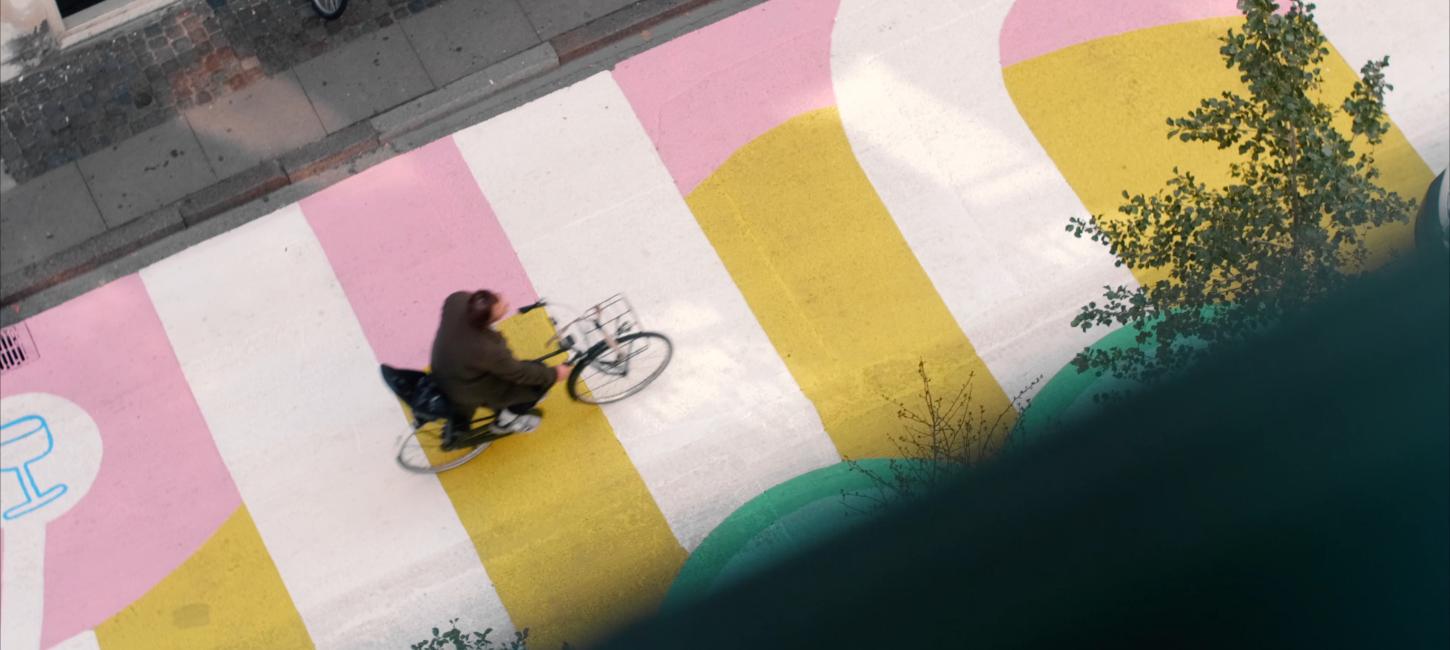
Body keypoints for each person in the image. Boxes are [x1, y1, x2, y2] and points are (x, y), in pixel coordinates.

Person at [429, 290, 569, 437]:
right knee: (536, 385)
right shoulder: (488, 350)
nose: (504, 302)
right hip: (464, 389)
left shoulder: (456, 301)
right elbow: (520, 373)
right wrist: (554, 374)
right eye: (501, 307)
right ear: (487, 320)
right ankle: (507, 421)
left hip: (441, 368)